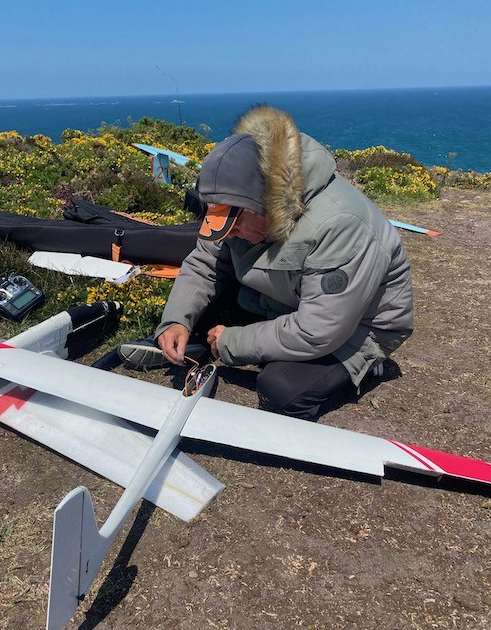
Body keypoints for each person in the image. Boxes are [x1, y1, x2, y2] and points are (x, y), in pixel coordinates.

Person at [138, 105, 414, 421]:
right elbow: (206, 260)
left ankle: (368, 367)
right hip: (286, 302)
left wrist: (232, 342)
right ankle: (188, 339)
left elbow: (318, 330)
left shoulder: (340, 224)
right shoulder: (237, 198)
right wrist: (176, 319)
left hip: (356, 328)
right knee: (198, 313)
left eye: (238, 224)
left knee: (282, 388)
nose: (233, 234)